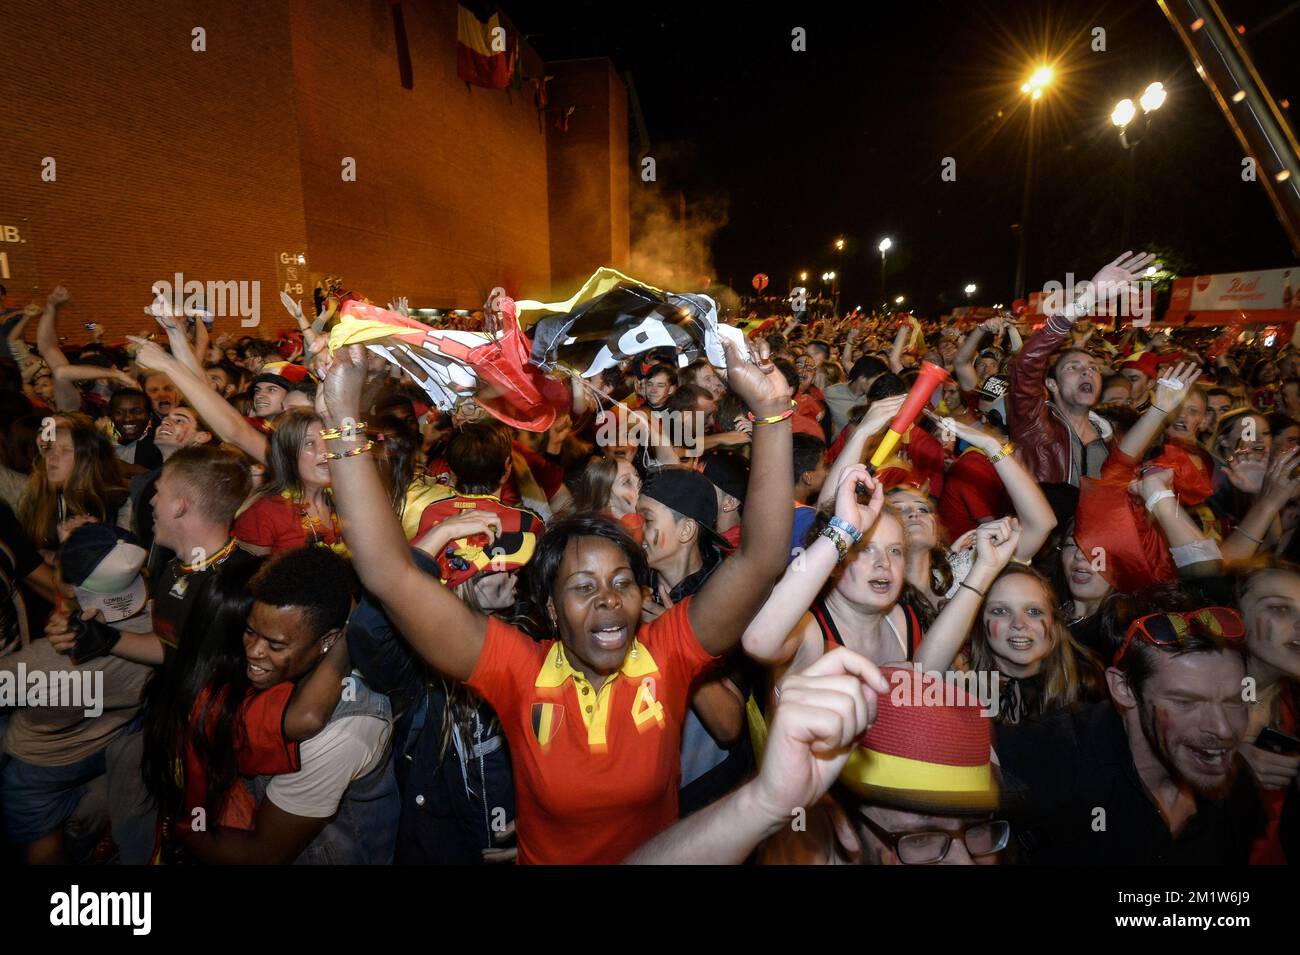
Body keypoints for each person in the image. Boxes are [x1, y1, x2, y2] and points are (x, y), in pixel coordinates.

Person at [319, 337, 793, 863]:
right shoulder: (518, 671)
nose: (609, 600)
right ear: (549, 608)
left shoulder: (667, 655)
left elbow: (762, 561)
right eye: (583, 587)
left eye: (622, 583)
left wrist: (773, 413)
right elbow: (389, 575)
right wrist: (343, 419)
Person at [996, 585, 1265, 864]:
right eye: (1186, 702)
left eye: (1234, 701)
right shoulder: (1050, 758)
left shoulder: (1238, 791)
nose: (1223, 729)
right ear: (1123, 689)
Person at [180, 547, 399, 864]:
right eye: (250, 632)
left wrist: (183, 832)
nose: (253, 652)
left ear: (327, 641)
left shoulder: (343, 730)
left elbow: (263, 855)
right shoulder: (294, 663)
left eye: (275, 644)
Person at [232, 409, 341, 555]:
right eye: (309, 443)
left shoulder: (344, 501)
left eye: (328, 439)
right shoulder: (262, 515)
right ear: (286, 456)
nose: (325, 451)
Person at [17, 413, 129, 554]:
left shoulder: (112, 499)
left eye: (65, 450)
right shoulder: (36, 490)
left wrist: (54, 558)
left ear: (86, 457)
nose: (52, 457)